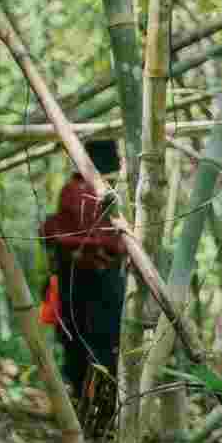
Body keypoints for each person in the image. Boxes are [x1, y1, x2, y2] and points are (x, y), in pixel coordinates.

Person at [40, 139, 127, 402]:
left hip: (84, 282)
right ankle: (95, 404)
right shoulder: (83, 191)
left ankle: (93, 403)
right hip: (87, 283)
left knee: (88, 345)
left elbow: (54, 235)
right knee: (97, 345)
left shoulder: (82, 190)